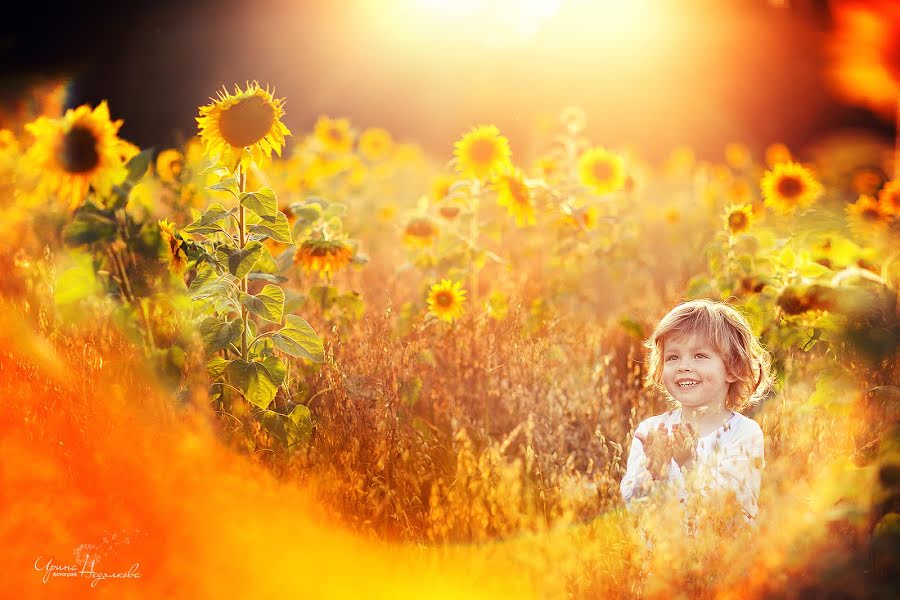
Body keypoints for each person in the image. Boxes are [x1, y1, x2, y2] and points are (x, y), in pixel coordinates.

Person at [620, 299, 773, 533]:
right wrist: (654, 471)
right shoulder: (651, 431)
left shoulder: (743, 434)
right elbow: (634, 509)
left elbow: (731, 516)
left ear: (732, 368)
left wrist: (690, 465)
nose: (683, 366)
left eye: (699, 355)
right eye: (673, 357)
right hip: (660, 563)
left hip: (717, 564)